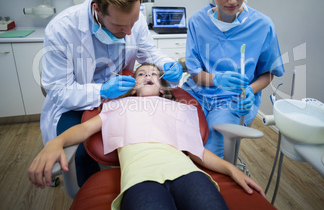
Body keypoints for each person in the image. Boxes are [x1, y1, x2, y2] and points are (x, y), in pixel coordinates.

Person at [28, 63, 265, 210]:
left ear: (163, 87)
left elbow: (198, 152)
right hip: (140, 179)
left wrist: (232, 170)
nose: (148, 75)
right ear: (132, 87)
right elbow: (84, 130)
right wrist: (55, 141)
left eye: (154, 74)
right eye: (141, 74)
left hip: (188, 174)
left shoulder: (180, 108)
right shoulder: (117, 107)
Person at [40, 0, 183, 187]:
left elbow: (149, 51)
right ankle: (90, 191)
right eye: (118, 26)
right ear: (97, 9)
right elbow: (58, 91)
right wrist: (102, 90)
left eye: (132, 24)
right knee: (82, 153)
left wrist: (166, 63)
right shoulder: (61, 30)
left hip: (121, 97)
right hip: (77, 101)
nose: (128, 32)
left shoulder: (133, 19)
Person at [182, 0, 285, 158]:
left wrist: (251, 90)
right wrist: (217, 79)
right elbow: (194, 72)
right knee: (176, 138)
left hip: (233, 100)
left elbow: (267, 73)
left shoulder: (262, 26)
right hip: (197, 93)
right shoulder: (197, 23)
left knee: (210, 149)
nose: (232, 1)